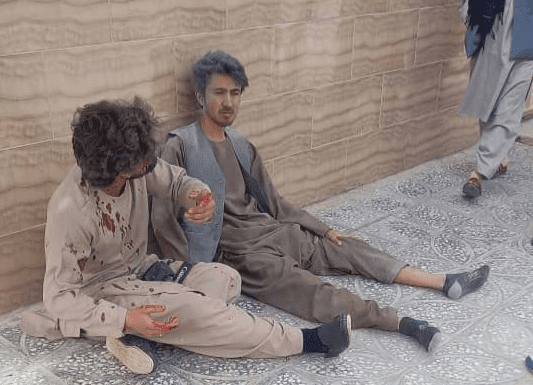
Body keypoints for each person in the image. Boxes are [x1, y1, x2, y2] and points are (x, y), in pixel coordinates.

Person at [153, 50, 491, 354]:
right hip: (241, 254)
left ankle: (443, 281)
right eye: (219, 93)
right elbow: (163, 217)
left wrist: (324, 229)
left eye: (235, 93)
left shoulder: (241, 144)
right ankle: (401, 323)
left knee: (348, 247)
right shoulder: (180, 146)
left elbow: (275, 202)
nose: (228, 102)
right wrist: (187, 268)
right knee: (312, 291)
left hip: (273, 232)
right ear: (200, 96)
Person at [18, 97, 355, 375]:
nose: (151, 162)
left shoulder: (134, 162)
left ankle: (137, 336)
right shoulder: (70, 211)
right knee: (200, 311)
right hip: (102, 292)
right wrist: (124, 317)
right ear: (118, 170)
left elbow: (177, 182)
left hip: (143, 271)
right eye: (142, 162)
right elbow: (59, 297)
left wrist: (199, 196)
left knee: (226, 279)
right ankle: (307, 341)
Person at [460, 0, 533, 198]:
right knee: (487, 101)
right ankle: (499, 156)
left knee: (510, 107)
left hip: (528, 32)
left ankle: (478, 173)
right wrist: (469, 13)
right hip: (492, 25)